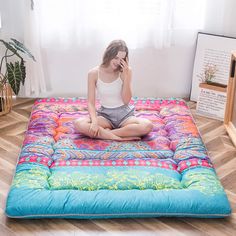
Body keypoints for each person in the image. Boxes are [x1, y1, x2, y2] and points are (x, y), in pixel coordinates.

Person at [74, 39, 153, 141]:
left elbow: (126, 100)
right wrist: (94, 122)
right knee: (79, 123)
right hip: (105, 116)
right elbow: (90, 102)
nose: (118, 62)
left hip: (125, 115)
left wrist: (126, 76)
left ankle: (106, 134)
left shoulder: (127, 70)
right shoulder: (93, 73)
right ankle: (120, 137)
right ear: (109, 55)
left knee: (147, 125)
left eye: (122, 59)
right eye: (115, 57)